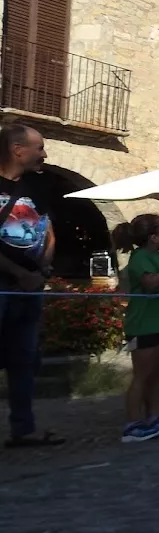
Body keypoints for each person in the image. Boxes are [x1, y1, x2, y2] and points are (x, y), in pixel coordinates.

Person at [0, 124, 63, 448]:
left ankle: (23, 429)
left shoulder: (37, 187)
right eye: (39, 147)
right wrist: (17, 272)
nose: (44, 153)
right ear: (17, 150)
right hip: (4, 283)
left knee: (25, 358)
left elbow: (47, 229)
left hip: (31, 285)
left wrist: (43, 267)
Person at [112, 214, 159, 443]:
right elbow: (151, 283)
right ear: (153, 237)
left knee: (157, 375)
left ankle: (153, 416)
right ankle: (133, 423)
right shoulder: (139, 257)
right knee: (141, 376)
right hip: (143, 324)